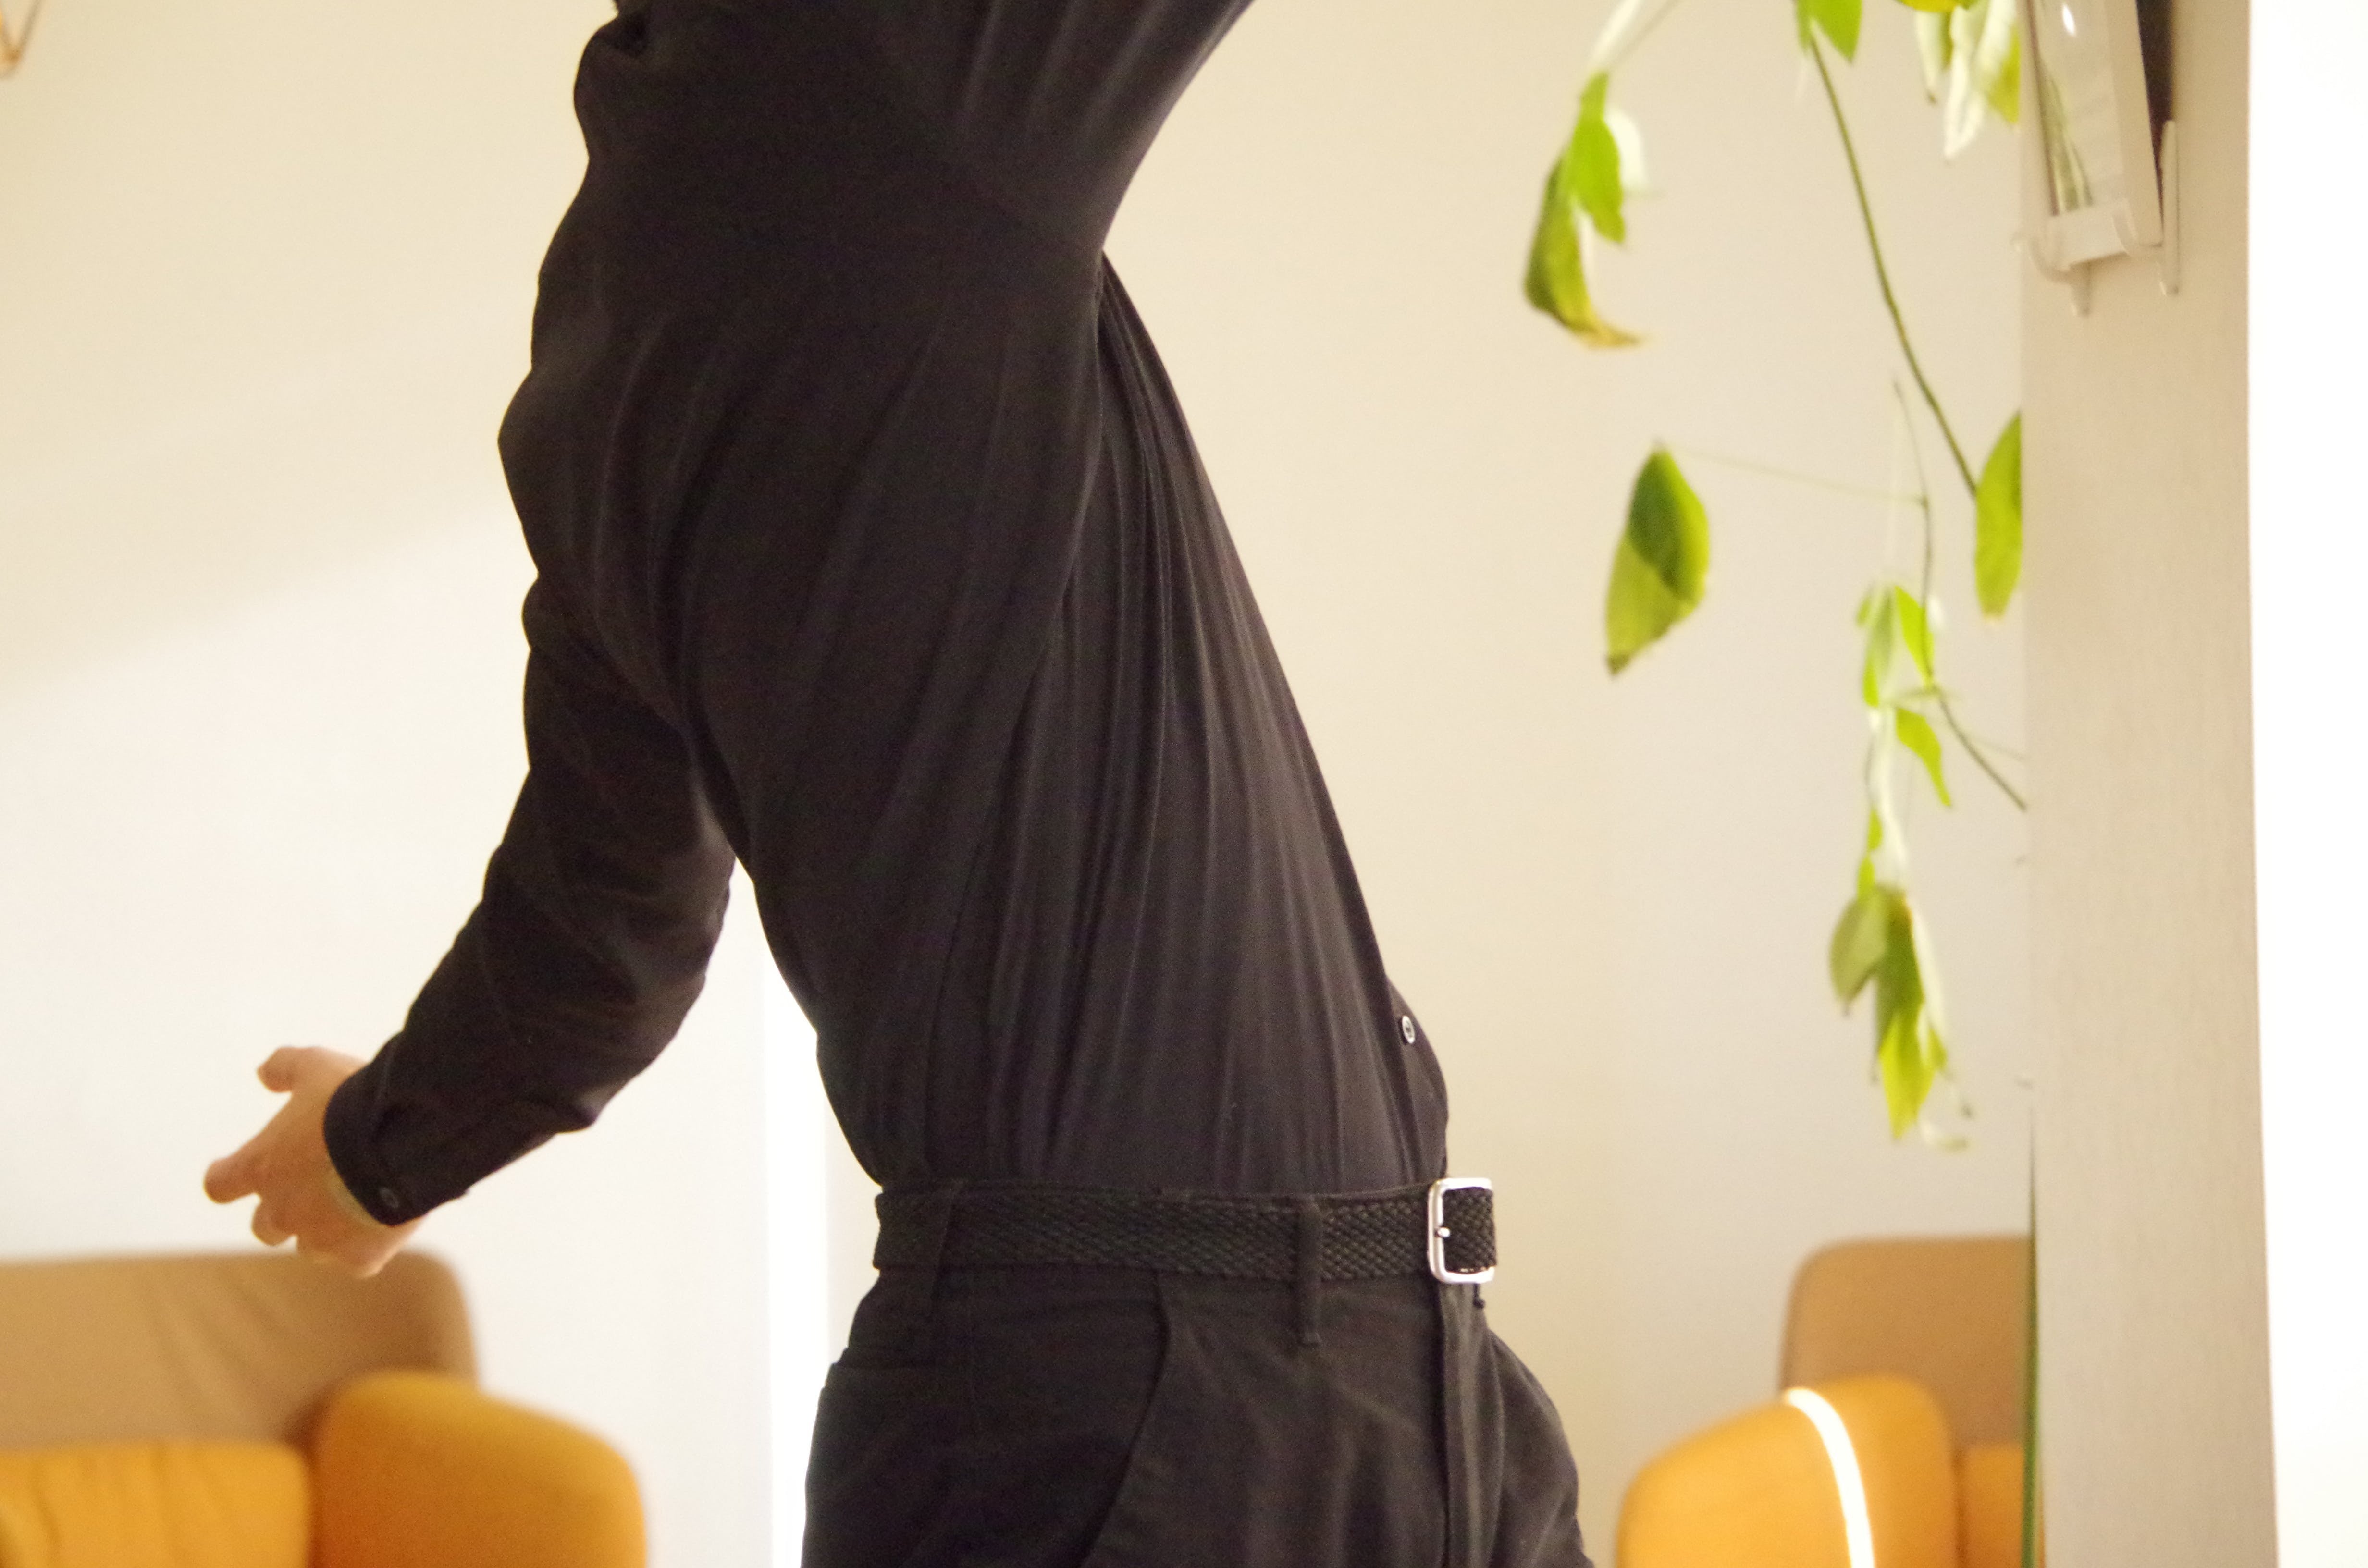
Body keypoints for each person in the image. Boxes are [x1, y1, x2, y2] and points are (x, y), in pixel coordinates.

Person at [203, 1, 1590, 1563]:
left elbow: (599, 937)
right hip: (1144, 1403)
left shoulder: (601, 345)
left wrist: (379, 1147)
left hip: (1329, 1374)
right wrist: (382, 1144)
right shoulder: (871, 74)